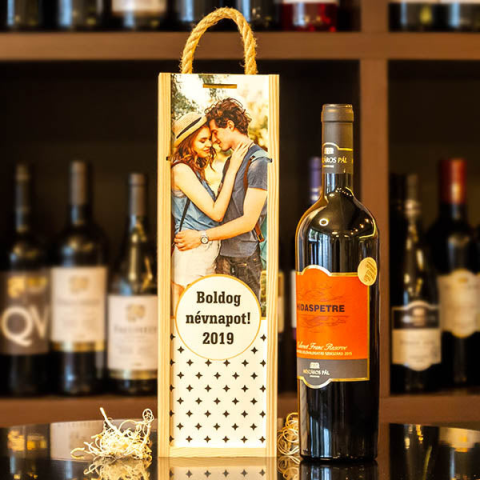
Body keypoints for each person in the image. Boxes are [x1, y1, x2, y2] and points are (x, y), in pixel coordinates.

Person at [175, 99, 270, 300]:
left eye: (214, 133)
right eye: (206, 138)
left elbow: (248, 221)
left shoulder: (259, 163)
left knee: (243, 314)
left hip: (243, 259)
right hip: (222, 255)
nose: (213, 141)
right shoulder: (230, 162)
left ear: (229, 125)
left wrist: (202, 236)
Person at [171, 112, 248, 310]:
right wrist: (233, 169)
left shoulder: (194, 169)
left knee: (203, 313)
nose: (209, 144)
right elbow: (216, 213)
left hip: (202, 250)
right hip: (191, 253)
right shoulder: (181, 170)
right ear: (188, 143)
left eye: (209, 139)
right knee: (190, 312)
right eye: (202, 140)